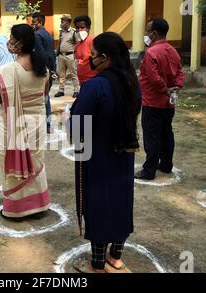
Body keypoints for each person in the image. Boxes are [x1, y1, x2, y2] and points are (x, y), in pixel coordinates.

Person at [71, 32, 141, 274]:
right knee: (121, 202)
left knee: (98, 205)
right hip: (124, 153)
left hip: (98, 155)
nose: (90, 59)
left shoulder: (96, 85)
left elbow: (77, 125)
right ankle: (116, 257)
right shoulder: (132, 81)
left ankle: (97, 263)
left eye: (93, 55)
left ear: (105, 57)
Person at [0, 24, 51, 220]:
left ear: (19, 43)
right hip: (37, 121)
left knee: (9, 159)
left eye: (11, 38)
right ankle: (38, 205)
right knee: (36, 161)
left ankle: (17, 209)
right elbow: (44, 94)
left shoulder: (8, 71)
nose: (9, 42)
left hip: (12, 124)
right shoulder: (44, 69)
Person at [135, 19, 185, 181]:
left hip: (153, 101)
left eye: (147, 30)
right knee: (166, 134)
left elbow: (153, 77)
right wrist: (175, 88)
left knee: (152, 137)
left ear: (154, 33)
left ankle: (148, 170)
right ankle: (166, 164)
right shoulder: (172, 50)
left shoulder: (152, 52)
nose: (146, 34)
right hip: (168, 103)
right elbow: (180, 72)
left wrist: (164, 89)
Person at [32, 12, 55, 134]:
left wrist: (43, 70)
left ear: (40, 22)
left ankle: (44, 125)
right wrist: (53, 70)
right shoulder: (48, 34)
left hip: (42, 71)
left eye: (34, 22)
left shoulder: (37, 35)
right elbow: (52, 54)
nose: (32, 25)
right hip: (49, 70)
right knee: (46, 98)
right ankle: (48, 124)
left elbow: (41, 54)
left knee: (41, 99)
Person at [55, 14, 79, 99]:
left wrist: (76, 56)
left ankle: (76, 91)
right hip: (61, 56)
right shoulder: (61, 31)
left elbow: (78, 44)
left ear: (68, 21)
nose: (61, 22)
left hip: (70, 55)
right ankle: (61, 90)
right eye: (61, 20)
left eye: (63, 20)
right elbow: (60, 43)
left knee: (73, 74)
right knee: (61, 75)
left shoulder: (74, 32)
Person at [74, 16, 97, 87]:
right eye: (77, 28)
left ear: (88, 28)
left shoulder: (93, 41)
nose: (79, 30)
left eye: (82, 27)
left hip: (92, 80)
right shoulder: (78, 43)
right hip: (82, 80)